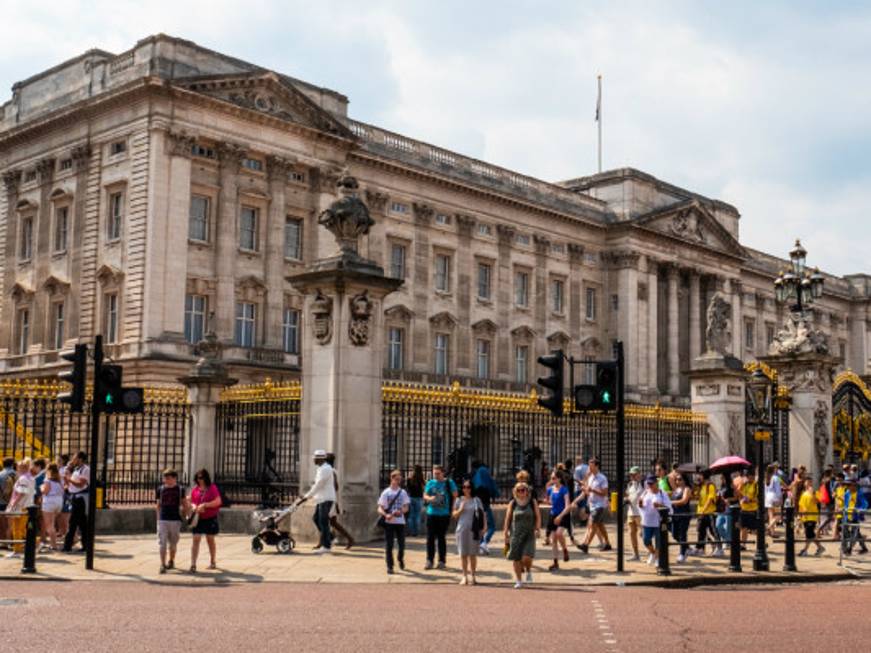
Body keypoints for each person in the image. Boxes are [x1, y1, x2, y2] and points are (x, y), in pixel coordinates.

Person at [504, 481, 540, 588]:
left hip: (529, 534)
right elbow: (508, 518)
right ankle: (519, 580)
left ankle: (528, 569)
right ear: (515, 492)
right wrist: (505, 532)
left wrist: (537, 529)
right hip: (515, 534)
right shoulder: (513, 503)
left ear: (527, 491)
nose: (521, 492)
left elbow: (538, 516)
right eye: (518, 490)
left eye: (523, 490)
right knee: (516, 558)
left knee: (526, 558)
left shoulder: (532, 502)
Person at [299, 450, 335, 553]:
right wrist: (308, 496)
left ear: (320, 459)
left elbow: (319, 485)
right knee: (316, 519)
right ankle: (330, 537)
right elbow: (316, 485)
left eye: (315, 458)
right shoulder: (321, 468)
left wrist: (307, 496)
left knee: (323, 522)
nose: (313, 460)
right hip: (321, 498)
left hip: (326, 498)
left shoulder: (326, 469)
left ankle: (326, 546)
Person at [423, 465, 457, 570]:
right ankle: (429, 560)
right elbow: (424, 495)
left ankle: (442, 560)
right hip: (431, 513)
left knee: (441, 538)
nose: (436, 475)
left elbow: (455, 495)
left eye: (438, 473)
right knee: (430, 538)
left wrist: (453, 509)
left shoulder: (449, 483)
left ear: (443, 473)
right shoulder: (430, 483)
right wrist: (430, 498)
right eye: (435, 473)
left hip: (444, 514)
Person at [453, 478, 485, 585]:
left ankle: (473, 575)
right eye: (464, 487)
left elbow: (482, 514)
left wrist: (484, 527)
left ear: (472, 488)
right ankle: (464, 576)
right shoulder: (459, 500)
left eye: (468, 487)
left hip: (474, 530)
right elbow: (454, 515)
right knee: (463, 554)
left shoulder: (476, 500)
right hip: (461, 529)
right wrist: (461, 509)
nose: (466, 489)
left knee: (473, 554)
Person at [576, 457, 611, 553]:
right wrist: (585, 489)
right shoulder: (590, 478)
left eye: (591, 466)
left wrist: (592, 490)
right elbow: (588, 491)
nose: (589, 468)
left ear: (597, 466)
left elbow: (604, 493)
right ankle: (607, 543)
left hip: (599, 506)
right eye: (589, 466)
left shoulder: (602, 478)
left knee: (592, 525)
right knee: (600, 526)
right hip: (592, 505)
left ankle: (586, 545)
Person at [189, 468, 221, 572]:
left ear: (206, 478)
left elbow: (218, 501)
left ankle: (212, 561)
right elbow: (192, 501)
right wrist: (194, 506)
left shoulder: (212, 488)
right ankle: (193, 564)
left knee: (210, 540)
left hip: (210, 518)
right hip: (198, 518)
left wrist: (205, 505)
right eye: (198, 478)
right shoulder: (195, 489)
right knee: (196, 539)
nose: (200, 480)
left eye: (202, 478)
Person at [378, 469, 410, 574]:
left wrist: (400, 511)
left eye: (399, 480)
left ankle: (400, 558)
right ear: (391, 479)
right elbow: (379, 508)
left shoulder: (403, 492)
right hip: (389, 522)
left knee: (402, 545)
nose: (398, 481)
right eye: (396, 479)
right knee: (389, 545)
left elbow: (406, 507)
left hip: (400, 522)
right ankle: (390, 566)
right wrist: (385, 514)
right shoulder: (386, 492)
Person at [156, 468, 188, 574]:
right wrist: (158, 518)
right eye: (165, 478)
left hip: (175, 519)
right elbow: (158, 505)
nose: (166, 480)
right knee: (162, 543)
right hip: (163, 519)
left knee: (173, 544)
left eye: (169, 478)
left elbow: (184, 503)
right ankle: (162, 564)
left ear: (175, 478)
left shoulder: (180, 489)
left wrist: (186, 514)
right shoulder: (160, 489)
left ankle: (171, 560)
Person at [4, 458, 35, 557]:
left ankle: (17, 550)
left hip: (20, 506)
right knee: (22, 529)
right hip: (26, 505)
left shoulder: (23, 478)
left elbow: (21, 493)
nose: (16, 469)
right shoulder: (30, 477)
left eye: (17, 467)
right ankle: (36, 543)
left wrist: (13, 504)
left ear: (21, 468)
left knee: (17, 528)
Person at [638, 475, 672, 565]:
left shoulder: (662, 493)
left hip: (658, 521)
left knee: (658, 541)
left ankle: (657, 558)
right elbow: (641, 507)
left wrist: (659, 505)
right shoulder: (645, 493)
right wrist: (640, 504)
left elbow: (669, 507)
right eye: (648, 483)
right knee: (646, 540)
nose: (649, 485)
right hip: (647, 521)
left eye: (651, 483)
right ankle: (653, 553)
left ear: (656, 483)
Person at [324, 453, 355, 550]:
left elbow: (335, 486)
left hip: (330, 500)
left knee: (324, 521)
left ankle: (325, 541)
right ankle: (349, 539)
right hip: (332, 499)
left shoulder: (331, 471)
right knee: (332, 522)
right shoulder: (333, 471)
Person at [62, 451, 90, 553]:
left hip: (80, 499)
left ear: (80, 459)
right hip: (74, 497)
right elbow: (73, 485)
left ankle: (67, 546)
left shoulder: (85, 469)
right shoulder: (77, 469)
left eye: (75, 457)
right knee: (82, 524)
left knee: (73, 522)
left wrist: (69, 480)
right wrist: (67, 484)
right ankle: (86, 546)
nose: (73, 460)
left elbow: (80, 484)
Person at [471, 460, 499, 554]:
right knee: (491, 526)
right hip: (485, 505)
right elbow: (493, 489)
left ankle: (481, 544)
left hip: (475, 505)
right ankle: (484, 543)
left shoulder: (475, 478)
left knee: (480, 526)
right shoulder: (485, 476)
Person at [545, 472, 571, 571]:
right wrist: (547, 501)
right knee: (554, 539)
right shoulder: (550, 489)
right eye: (551, 478)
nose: (552, 480)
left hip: (563, 514)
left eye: (554, 478)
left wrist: (560, 516)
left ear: (559, 479)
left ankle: (564, 549)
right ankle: (555, 562)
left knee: (559, 533)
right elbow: (549, 501)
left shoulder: (564, 489)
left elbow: (568, 505)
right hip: (553, 514)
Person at [691, 470, 719, 556]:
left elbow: (710, 499)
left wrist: (703, 510)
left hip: (709, 512)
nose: (698, 477)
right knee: (701, 531)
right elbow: (696, 498)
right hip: (701, 512)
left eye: (700, 475)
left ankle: (719, 547)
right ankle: (700, 548)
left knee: (713, 531)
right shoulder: (701, 486)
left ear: (704, 476)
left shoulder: (710, 486)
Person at [39, 463, 64, 551]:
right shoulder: (59, 480)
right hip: (59, 501)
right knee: (52, 523)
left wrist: (41, 487)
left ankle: (53, 545)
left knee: (49, 525)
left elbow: (45, 491)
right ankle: (53, 544)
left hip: (49, 502)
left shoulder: (47, 480)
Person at [798, 478, 824, 557]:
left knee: (809, 533)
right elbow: (801, 505)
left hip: (812, 516)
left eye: (810, 482)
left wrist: (812, 493)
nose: (808, 484)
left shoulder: (815, 492)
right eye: (807, 482)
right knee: (809, 534)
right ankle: (819, 547)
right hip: (805, 517)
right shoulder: (803, 493)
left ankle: (805, 550)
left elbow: (818, 501)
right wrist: (800, 516)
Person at [670, 474, 692, 562]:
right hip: (675, 515)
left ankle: (682, 554)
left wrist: (671, 502)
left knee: (683, 534)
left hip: (684, 515)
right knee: (674, 534)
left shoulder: (687, 489)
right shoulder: (676, 490)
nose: (678, 481)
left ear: (684, 480)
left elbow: (684, 501)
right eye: (676, 479)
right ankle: (686, 547)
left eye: (680, 479)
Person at [624, 466, 643, 561]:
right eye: (631, 474)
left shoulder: (644, 484)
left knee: (644, 535)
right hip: (631, 512)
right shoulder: (629, 484)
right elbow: (627, 495)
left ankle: (654, 553)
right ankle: (636, 554)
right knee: (632, 533)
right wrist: (626, 499)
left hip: (641, 513)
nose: (632, 476)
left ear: (639, 474)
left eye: (634, 474)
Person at [715, 473, 736, 556]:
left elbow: (736, 497)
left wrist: (728, 499)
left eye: (723, 478)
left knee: (728, 526)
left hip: (728, 508)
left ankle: (728, 542)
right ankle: (727, 540)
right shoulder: (722, 487)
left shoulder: (731, 486)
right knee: (718, 525)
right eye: (721, 478)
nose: (722, 480)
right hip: (721, 509)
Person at [737, 467, 758, 546]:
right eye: (748, 476)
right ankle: (743, 544)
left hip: (753, 509)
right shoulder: (744, 484)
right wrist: (741, 485)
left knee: (755, 530)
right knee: (743, 528)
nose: (749, 478)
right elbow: (738, 494)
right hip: (744, 509)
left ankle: (761, 543)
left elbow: (758, 498)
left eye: (751, 476)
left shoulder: (756, 485)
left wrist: (750, 500)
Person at [0, 457, 17, 550]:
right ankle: (10, 542)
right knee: (11, 525)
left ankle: (3, 542)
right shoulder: (16, 474)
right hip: (13, 501)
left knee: (2, 524)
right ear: (12, 464)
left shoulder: (0, 474)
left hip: (1, 501)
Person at [55, 454, 71, 542]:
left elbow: (67, 481)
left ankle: (65, 532)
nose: (57, 462)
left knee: (64, 514)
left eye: (58, 460)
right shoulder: (56, 470)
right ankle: (61, 531)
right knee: (59, 514)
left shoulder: (64, 469)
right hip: (58, 493)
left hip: (64, 493)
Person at [406, 464, 425, 537]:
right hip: (419, 498)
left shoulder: (409, 479)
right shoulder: (421, 479)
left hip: (411, 498)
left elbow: (408, 489)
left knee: (411, 515)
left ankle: (411, 532)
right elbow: (424, 489)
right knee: (417, 515)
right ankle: (417, 532)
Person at [764, 464, 783, 536]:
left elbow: (765, 490)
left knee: (771, 515)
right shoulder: (775, 478)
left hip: (768, 497)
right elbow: (778, 490)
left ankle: (772, 532)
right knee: (778, 515)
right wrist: (780, 498)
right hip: (774, 496)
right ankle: (769, 527)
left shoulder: (766, 478)